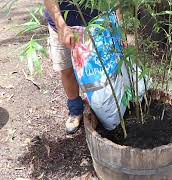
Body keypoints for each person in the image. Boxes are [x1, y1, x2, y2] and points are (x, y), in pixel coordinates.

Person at [44, 0, 122, 134]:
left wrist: (119, 21)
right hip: (63, 23)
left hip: (98, 23)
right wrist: (61, 26)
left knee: (104, 67)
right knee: (66, 70)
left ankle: (106, 106)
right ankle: (75, 109)